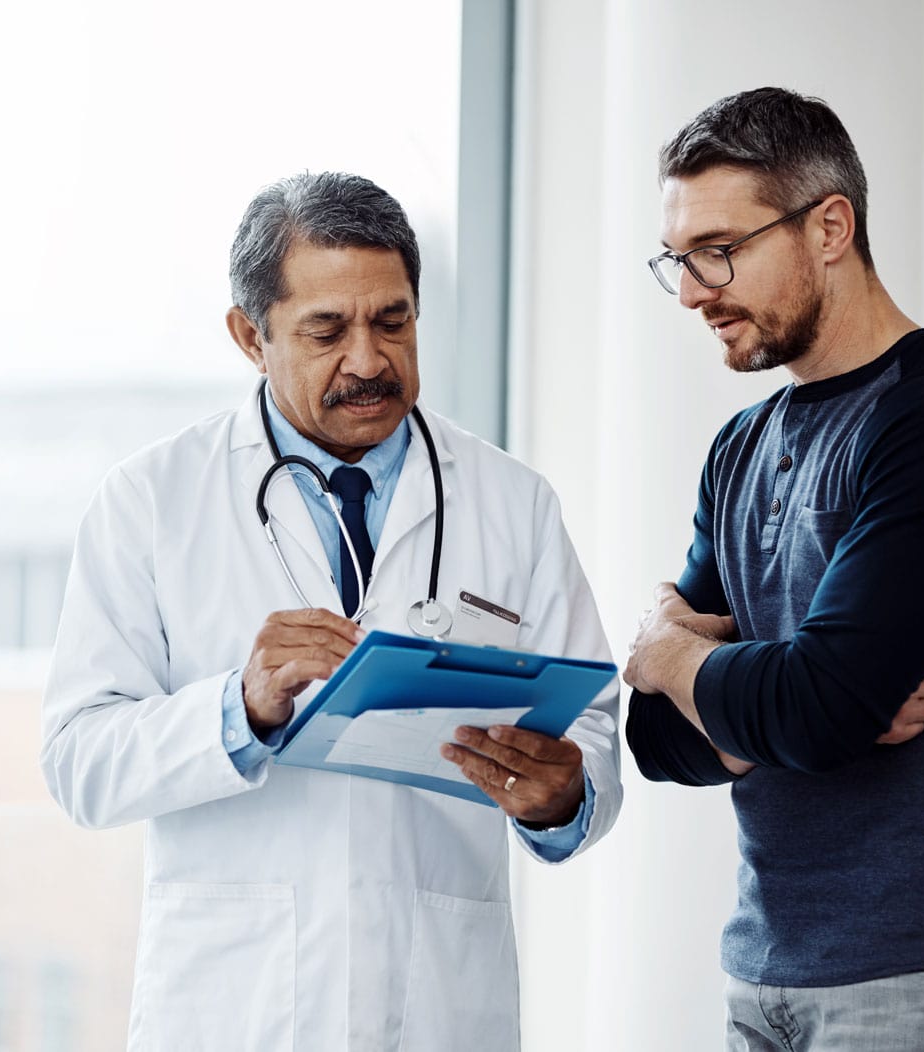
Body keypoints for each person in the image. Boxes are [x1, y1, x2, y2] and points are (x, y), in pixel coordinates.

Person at [40, 172, 621, 1052]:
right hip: (237, 1009)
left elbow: (595, 726)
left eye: (393, 321)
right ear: (250, 336)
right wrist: (240, 707)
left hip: (439, 1006)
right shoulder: (151, 502)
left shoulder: (514, 502)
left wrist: (565, 794)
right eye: (326, 331)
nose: (368, 361)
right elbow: (80, 761)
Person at [623, 87, 924, 1050]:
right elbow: (658, 741)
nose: (695, 290)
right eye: (679, 260)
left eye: (720, 250)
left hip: (922, 967)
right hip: (764, 968)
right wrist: (791, 700)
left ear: (829, 227)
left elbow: (817, 703)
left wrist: (667, 654)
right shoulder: (740, 447)